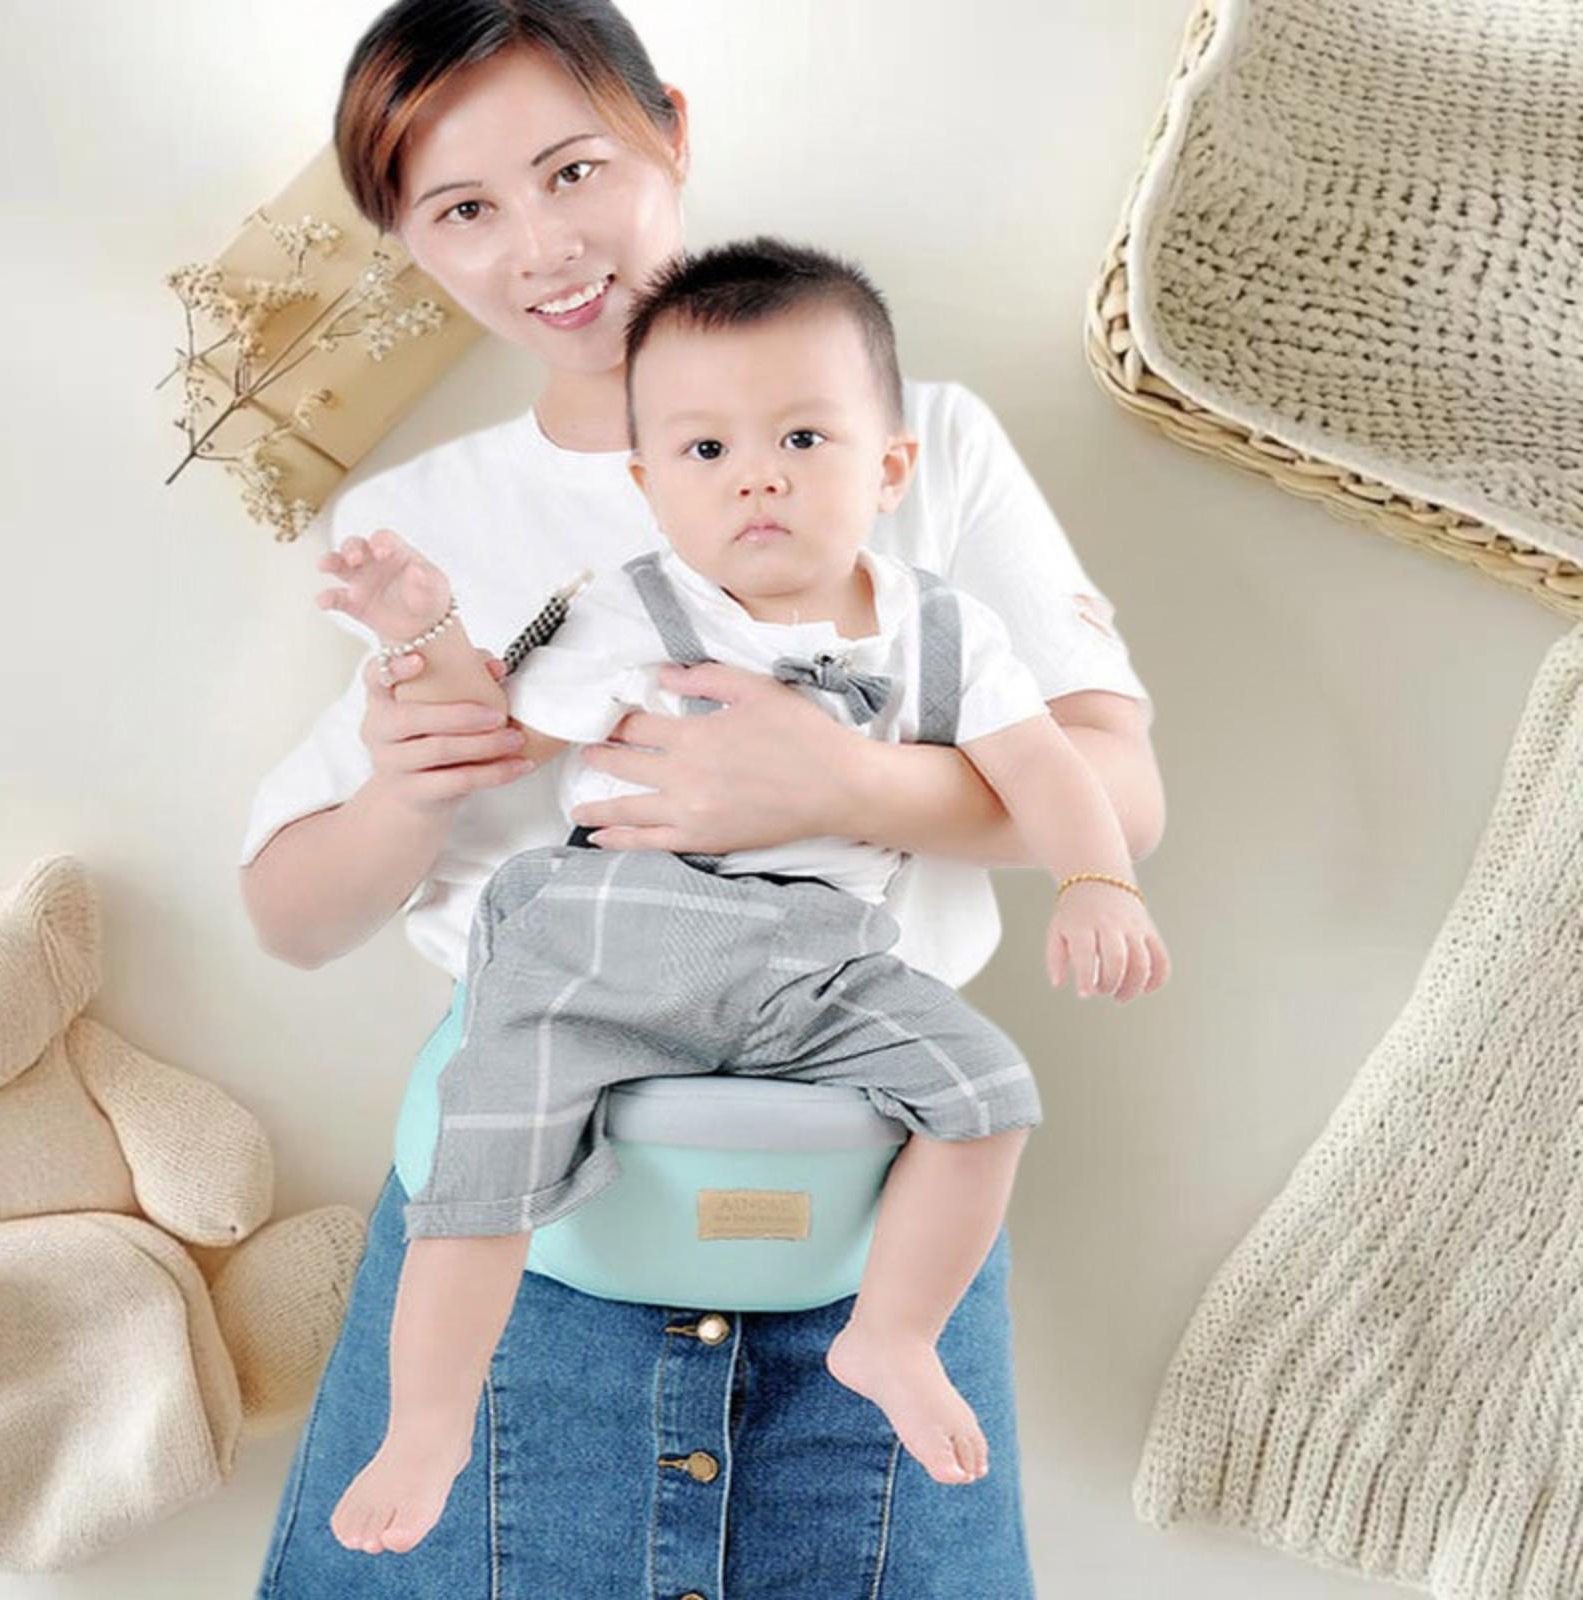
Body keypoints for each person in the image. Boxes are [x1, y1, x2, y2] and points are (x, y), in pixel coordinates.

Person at [241, 2, 1166, 1593]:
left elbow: (1111, 794)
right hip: (534, 1224)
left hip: (870, 1198)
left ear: (668, 129)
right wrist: (410, 780)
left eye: (574, 169)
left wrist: (843, 782)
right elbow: (289, 913)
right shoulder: (434, 520)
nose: (544, 246)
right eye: (462, 209)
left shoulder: (916, 438)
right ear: (405, 241)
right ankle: (430, 1421)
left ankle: (889, 1342)